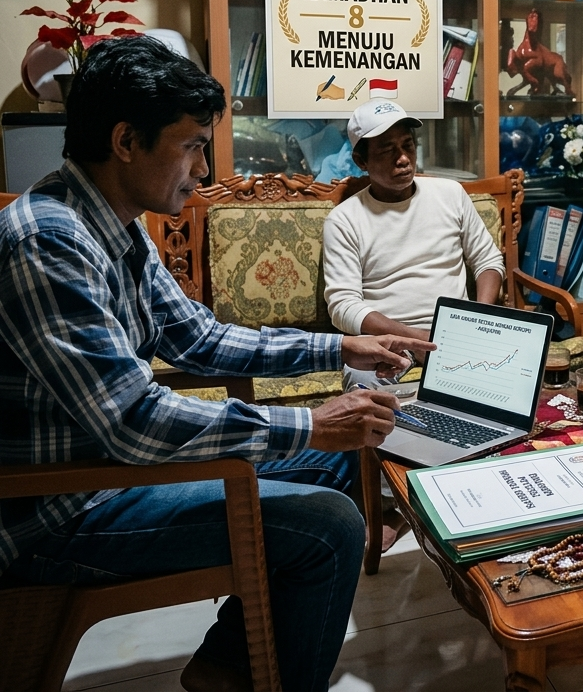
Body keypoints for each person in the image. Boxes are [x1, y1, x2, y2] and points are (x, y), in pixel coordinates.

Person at [0, 36, 435, 692]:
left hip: (114, 472)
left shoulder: (116, 225)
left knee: (347, 459)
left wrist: (338, 348)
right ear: (126, 141)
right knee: (329, 525)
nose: (203, 171)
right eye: (193, 145)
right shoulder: (49, 242)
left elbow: (200, 339)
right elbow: (133, 422)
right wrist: (311, 424)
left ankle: (229, 668)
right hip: (66, 511)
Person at [323, 98, 506, 390]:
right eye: (387, 150)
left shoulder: (450, 194)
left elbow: (488, 262)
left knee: (519, 377)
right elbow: (343, 306)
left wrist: (477, 321)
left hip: (459, 332)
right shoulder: (344, 220)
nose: (403, 159)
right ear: (361, 161)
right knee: (362, 382)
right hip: (388, 341)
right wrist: (416, 338)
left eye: (408, 145)